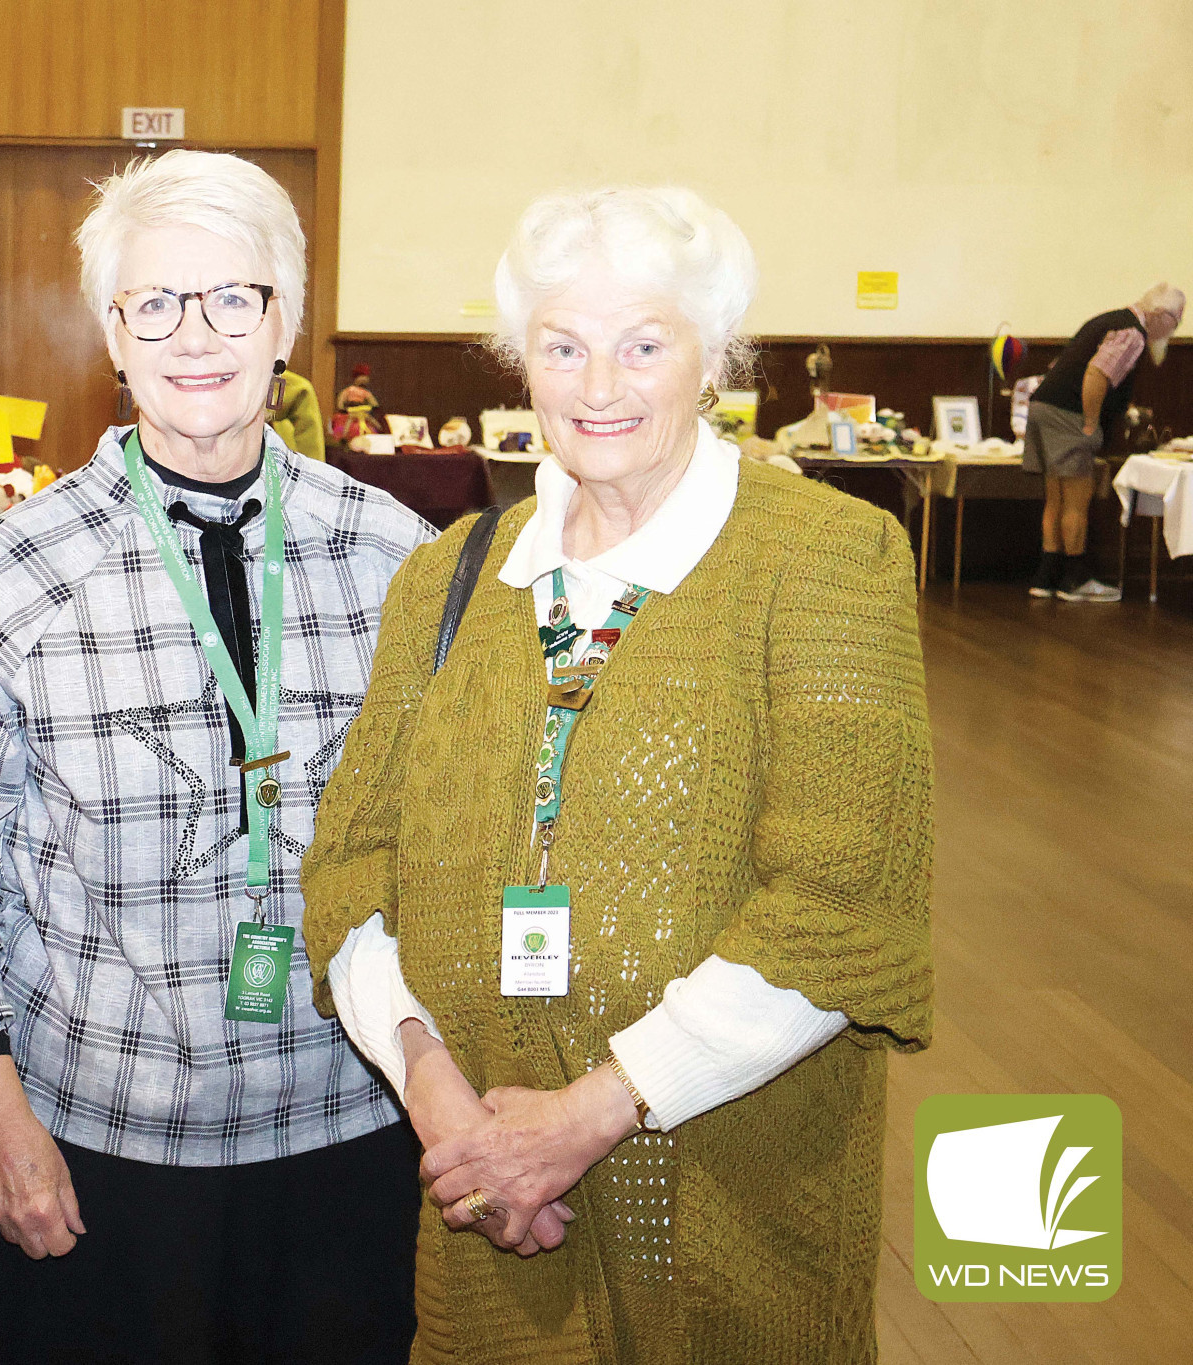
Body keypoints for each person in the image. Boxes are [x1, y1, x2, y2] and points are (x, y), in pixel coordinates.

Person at [302, 186, 935, 1364]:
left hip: (728, 1200)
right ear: (520, 364)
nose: (599, 388)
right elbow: (346, 870)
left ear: (711, 360)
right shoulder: (446, 579)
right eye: (562, 348)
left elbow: (833, 911)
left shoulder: (828, 560)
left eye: (642, 344)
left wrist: (587, 1116)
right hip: (490, 1208)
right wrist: (444, 1107)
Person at [0, 149, 435, 1364]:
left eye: (231, 298)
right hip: (96, 1140)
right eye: (153, 302)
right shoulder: (13, 574)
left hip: (347, 1124)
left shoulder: (393, 555)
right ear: (111, 330)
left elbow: (441, 842)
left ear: (283, 320)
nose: (192, 335)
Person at [1021, 283, 1183, 601]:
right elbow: (1095, 375)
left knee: (1055, 497)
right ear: (1161, 315)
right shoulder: (1132, 332)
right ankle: (1074, 580)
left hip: (1043, 407)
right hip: (1069, 414)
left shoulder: (1107, 320)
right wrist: (1091, 423)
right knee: (1077, 500)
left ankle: (1046, 577)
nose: (1173, 331)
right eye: (1176, 321)